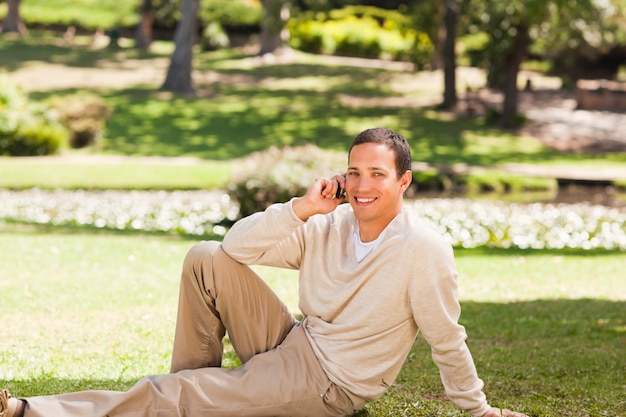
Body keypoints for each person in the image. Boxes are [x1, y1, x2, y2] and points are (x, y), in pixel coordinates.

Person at [1, 127, 528, 417]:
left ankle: (30, 411)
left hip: (328, 385)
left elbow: (446, 336)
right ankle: (193, 397)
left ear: (403, 181)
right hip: (295, 343)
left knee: (180, 395)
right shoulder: (332, 224)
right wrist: (300, 208)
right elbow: (236, 247)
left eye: (377, 174)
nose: (363, 185)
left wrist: (477, 409)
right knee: (205, 257)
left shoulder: (423, 248)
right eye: (354, 172)